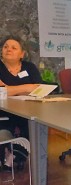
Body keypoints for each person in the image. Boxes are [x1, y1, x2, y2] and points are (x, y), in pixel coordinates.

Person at [0, 35, 42, 170]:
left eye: (13, 47)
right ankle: (6, 153)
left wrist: (9, 89)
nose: (8, 50)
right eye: (5, 47)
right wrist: (26, 87)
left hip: (27, 109)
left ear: (22, 54)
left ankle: (17, 155)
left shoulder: (29, 67)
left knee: (32, 121)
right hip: (3, 110)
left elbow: (38, 88)